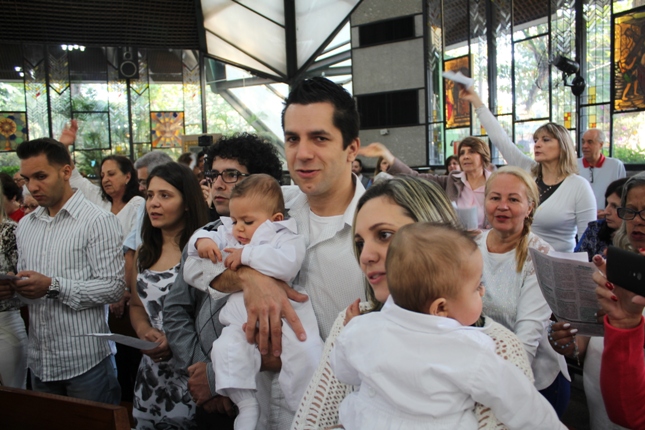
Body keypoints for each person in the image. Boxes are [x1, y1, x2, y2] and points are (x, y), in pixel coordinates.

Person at [184, 77, 367, 427]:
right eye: (293, 138)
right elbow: (193, 265)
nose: (303, 153)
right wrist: (250, 279)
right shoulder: (273, 202)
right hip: (264, 412)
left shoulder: (377, 227)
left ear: (351, 148)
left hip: (338, 414)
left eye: (320, 138)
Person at [292, 176, 536, 430]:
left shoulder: (498, 348)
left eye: (384, 235)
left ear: (436, 236)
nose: (365, 256)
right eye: (360, 243)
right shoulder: (354, 322)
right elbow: (310, 421)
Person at [330, 223, 565, 430]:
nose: (483, 291)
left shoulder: (362, 329)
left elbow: (343, 371)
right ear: (440, 308)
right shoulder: (469, 349)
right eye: (476, 287)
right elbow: (520, 401)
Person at [162, 133, 283, 430]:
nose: (217, 183)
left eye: (231, 175)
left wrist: (219, 376)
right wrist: (205, 373)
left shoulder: (280, 238)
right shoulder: (205, 237)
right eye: (213, 174)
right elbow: (176, 310)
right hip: (207, 390)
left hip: (266, 389)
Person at [186, 174, 323, 430]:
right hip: (239, 319)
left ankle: (306, 411)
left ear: (276, 220)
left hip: (286, 318)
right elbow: (199, 251)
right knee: (226, 350)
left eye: (247, 222)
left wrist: (246, 255)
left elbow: (287, 264)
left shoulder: (285, 236)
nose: (238, 228)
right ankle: (246, 403)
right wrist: (203, 241)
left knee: (305, 355)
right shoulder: (234, 234)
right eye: (235, 220)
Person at [1, 137, 124, 404]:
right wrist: (14, 289)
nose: (32, 187)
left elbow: (113, 287)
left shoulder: (98, 221)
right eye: (27, 179)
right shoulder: (26, 226)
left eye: (41, 176)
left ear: (66, 172)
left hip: (86, 360)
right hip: (41, 360)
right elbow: (30, 288)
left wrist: (53, 286)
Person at [476, 166, 570, 416]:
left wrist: (493, 395)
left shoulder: (540, 255)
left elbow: (525, 341)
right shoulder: (472, 247)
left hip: (531, 381)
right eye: (495, 197)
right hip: (479, 372)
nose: (502, 206)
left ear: (530, 208)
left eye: (513, 199)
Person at [461, 87, 596, 252]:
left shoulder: (579, 186)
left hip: (557, 261)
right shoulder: (529, 171)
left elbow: (588, 242)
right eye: (536, 140)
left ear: (563, 146)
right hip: (520, 258)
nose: (537, 144)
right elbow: (500, 139)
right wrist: (476, 101)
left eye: (546, 140)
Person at [129, 162, 208, 428]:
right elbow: (137, 306)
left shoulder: (202, 252)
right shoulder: (144, 252)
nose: (154, 203)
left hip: (191, 370)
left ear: (187, 203)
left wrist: (175, 340)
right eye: (150, 195)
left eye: (165, 195)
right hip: (152, 370)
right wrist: (144, 332)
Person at [360, 137, 493, 229]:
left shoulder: (495, 183)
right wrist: (387, 155)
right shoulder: (452, 181)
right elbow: (415, 177)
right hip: (457, 244)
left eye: (471, 152)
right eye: (462, 153)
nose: (465, 156)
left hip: (489, 245)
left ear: (483, 156)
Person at [0, 181, 25, 388]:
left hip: (4, 319)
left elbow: (23, 277)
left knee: (13, 392)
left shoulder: (10, 231)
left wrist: (12, 281)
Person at [575, 178, 628, 261]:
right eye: (607, 204)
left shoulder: (638, 237)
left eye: (614, 206)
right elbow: (577, 262)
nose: (606, 211)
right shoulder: (595, 229)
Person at [578, 129, 626, 213]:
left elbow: (622, 195)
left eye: (590, 142)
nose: (584, 146)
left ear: (601, 144)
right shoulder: (573, 165)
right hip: (580, 216)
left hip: (608, 216)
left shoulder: (615, 166)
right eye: (583, 142)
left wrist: (607, 212)